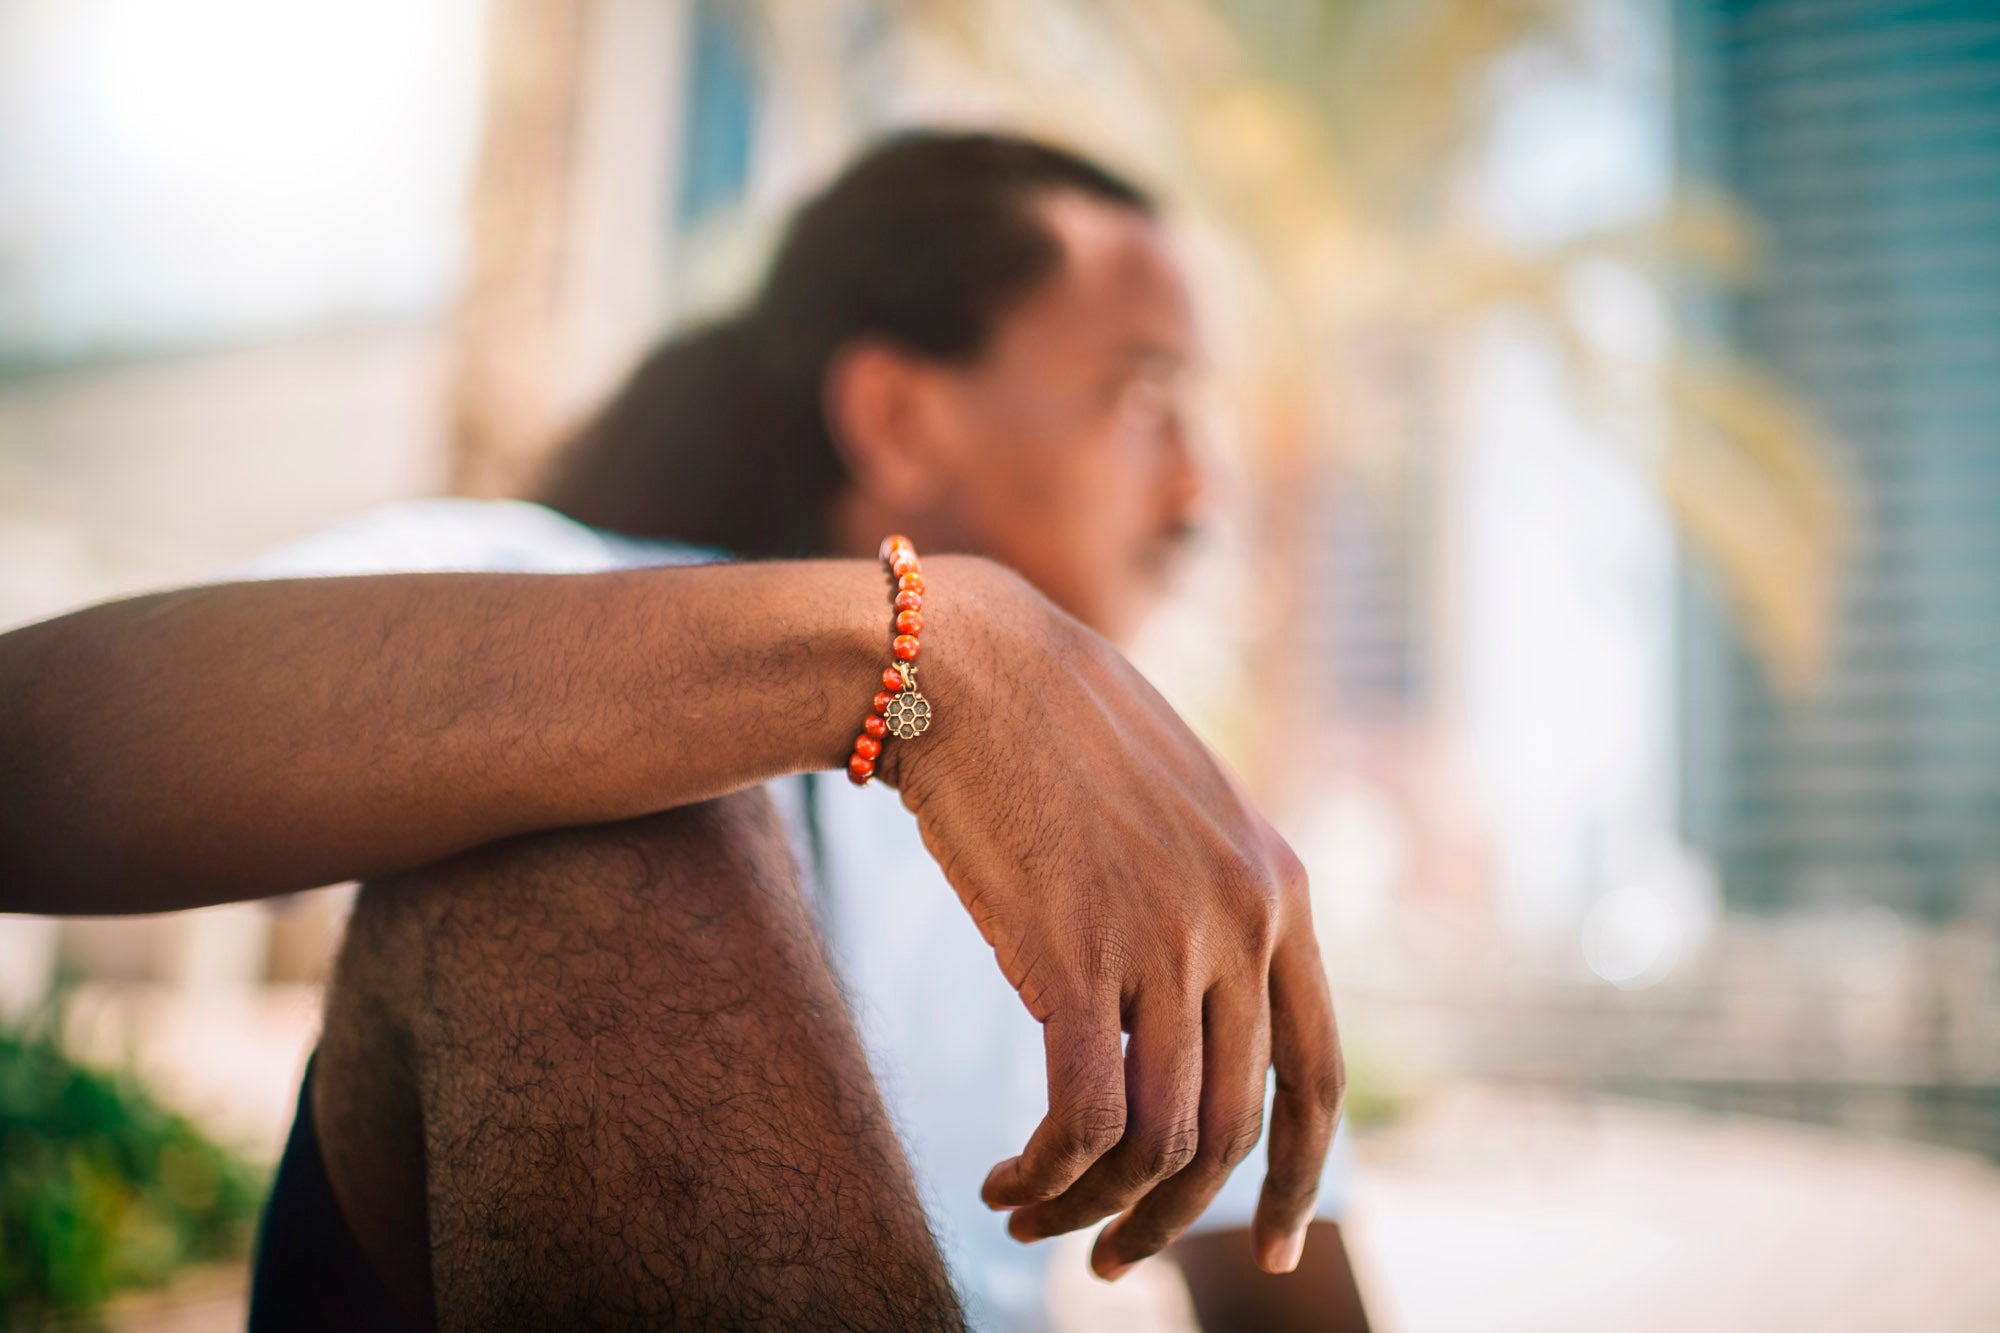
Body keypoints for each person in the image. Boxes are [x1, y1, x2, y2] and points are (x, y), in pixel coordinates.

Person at [0, 133, 1352, 1331]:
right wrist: (913, 648)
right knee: (603, 814)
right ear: (897, 413)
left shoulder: (1155, 830)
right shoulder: (535, 585)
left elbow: (1292, 1290)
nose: (1201, 484)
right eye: (1144, 395)